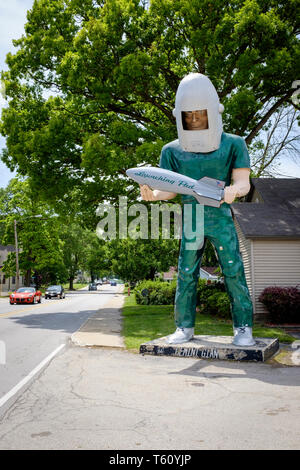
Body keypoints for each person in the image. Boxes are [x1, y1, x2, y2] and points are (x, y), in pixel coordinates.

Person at [139, 73, 255, 347]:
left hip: (220, 217)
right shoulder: (171, 151)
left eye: (199, 115)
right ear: (180, 116)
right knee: (186, 272)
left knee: (233, 270)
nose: (194, 120)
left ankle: (243, 327)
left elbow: (243, 182)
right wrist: (153, 196)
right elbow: (170, 188)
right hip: (191, 218)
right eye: (189, 116)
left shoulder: (234, 144)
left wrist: (234, 191)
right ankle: (184, 327)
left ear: (213, 113)